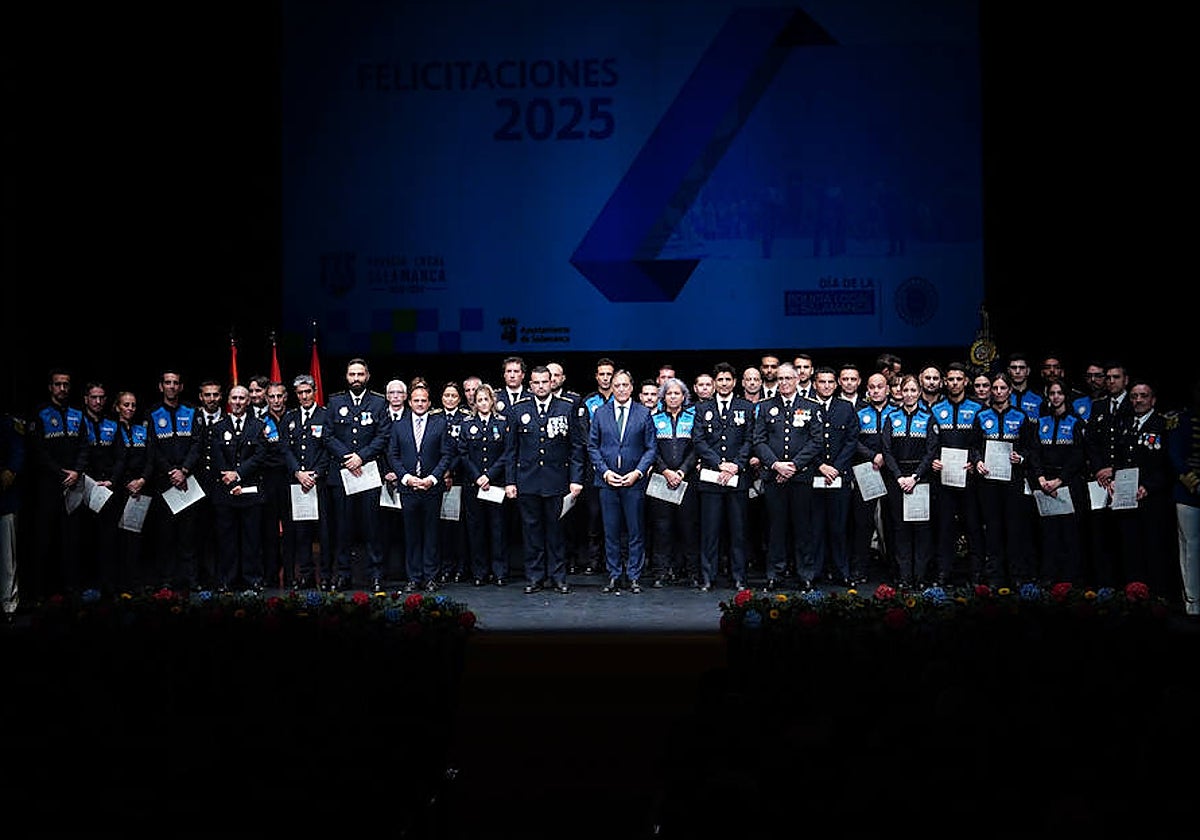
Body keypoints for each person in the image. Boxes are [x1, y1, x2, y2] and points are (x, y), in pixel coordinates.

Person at [504, 365, 585, 594]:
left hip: (557, 480)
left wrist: (576, 479)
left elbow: (576, 447)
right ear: (530, 385)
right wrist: (510, 481)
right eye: (536, 382)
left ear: (552, 383)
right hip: (527, 480)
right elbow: (511, 450)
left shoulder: (566, 407)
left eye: (544, 382)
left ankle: (558, 577)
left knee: (556, 532)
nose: (540, 386)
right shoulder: (519, 409)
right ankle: (535, 577)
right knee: (531, 532)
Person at [324, 358, 392, 591]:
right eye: (352, 374)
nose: (356, 378)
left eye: (360, 374)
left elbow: (383, 436)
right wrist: (347, 457)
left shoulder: (378, 403)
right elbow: (328, 435)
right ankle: (343, 574)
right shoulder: (335, 402)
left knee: (372, 527)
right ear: (346, 376)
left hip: (368, 472)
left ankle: (375, 574)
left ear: (367, 376)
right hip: (341, 474)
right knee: (343, 528)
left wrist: (361, 457)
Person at [588, 369, 656, 593]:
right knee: (611, 531)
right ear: (612, 388)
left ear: (632, 387)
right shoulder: (600, 413)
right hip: (607, 482)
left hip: (633, 482)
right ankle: (615, 574)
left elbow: (651, 448)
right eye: (617, 385)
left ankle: (634, 575)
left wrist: (638, 472)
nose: (621, 389)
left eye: (625, 385)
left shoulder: (643, 413)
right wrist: (605, 472)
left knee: (636, 531)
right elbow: (592, 446)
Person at [752, 362, 817, 590]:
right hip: (774, 477)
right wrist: (776, 465)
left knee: (803, 528)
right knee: (775, 529)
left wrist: (793, 466)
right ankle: (775, 574)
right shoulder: (765, 406)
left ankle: (805, 574)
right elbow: (758, 440)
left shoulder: (811, 406)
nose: (784, 382)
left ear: (798, 379)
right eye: (780, 379)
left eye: (788, 378)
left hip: (801, 478)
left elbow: (816, 441)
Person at [25, 368, 88, 599]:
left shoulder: (77, 413)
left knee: (72, 540)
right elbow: (37, 450)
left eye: (66, 384)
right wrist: (59, 473)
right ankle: (41, 592)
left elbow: (84, 446)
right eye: (58, 384)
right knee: (45, 539)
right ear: (50, 387)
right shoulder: (40, 413)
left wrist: (77, 471)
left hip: (73, 484)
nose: (62, 388)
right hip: (48, 486)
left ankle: (71, 589)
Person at [973, 371, 1038, 588]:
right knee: (992, 529)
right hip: (988, 482)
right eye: (995, 388)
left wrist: (1021, 458)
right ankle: (994, 576)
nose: (998, 392)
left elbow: (1031, 448)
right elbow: (974, 446)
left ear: (1009, 391)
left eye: (1003, 388)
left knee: (1014, 528)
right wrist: (977, 461)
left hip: (1013, 482)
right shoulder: (981, 416)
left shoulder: (1021, 416)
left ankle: (1017, 575)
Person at [1114, 380, 1177, 600]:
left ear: (1153, 399)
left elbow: (1169, 464)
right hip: (1126, 497)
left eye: (1143, 396)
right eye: (1134, 396)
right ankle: (1133, 596)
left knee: (1154, 548)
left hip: (1153, 499)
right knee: (1130, 548)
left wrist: (1148, 487)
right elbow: (1120, 459)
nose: (1138, 400)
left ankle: (1158, 599)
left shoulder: (1163, 425)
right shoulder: (1124, 423)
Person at [693, 362, 754, 590]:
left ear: (734, 382)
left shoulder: (745, 407)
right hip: (711, 478)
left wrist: (736, 465)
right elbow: (698, 440)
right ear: (715, 383)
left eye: (728, 379)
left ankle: (739, 577)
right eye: (720, 380)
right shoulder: (702, 408)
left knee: (738, 532)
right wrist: (719, 464)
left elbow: (749, 440)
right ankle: (708, 576)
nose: (724, 383)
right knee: (709, 532)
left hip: (737, 479)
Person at [389, 383, 454, 593]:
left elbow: (446, 454)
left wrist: (433, 479)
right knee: (412, 535)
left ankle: (430, 578)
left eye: (423, 400)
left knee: (432, 535)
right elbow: (393, 455)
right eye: (416, 400)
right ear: (410, 402)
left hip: (431, 489)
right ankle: (413, 578)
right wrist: (407, 478)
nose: (419, 403)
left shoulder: (440, 423)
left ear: (429, 402)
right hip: (408, 488)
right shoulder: (399, 425)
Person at [929, 362, 987, 587]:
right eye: (950, 379)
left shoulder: (978, 409)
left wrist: (976, 462)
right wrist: (933, 461)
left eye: (958, 379)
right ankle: (944, 572)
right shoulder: (936, 409)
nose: (954, 383)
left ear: (966, 382)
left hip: (970, 479)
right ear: (946, 382)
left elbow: (983, 442)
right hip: (943, 479)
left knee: (973, 526)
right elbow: (931, 444)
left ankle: (976, 573)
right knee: (944, 527)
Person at [210, 385, 272, 592]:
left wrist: (238, 475)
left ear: (248, 401)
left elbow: (260, 456)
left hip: (250, 491)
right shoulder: (218, 426)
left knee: (251, 538)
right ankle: (227, 579)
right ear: (228, 400)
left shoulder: (258, 425)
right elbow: (216, 457)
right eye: (234, 397)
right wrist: (230, 478)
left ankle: (252, 578)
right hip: (225, 491)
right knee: (226, 539)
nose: (237, 402)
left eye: (242, 398)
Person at [147, 369, 204, 591]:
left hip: (188, 481)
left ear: (181, 387)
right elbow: (151, 447)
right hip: (165, 482)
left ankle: (191, 579)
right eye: (168, 383)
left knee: (189, 535)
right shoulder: (152, 413)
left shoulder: (191, 411)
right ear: (161, 386)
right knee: (165, 535)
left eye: (176, 383)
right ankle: (167, 581)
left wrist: (185, 470)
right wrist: (172, 471)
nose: (172, 386)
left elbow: (197, 444)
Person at [1026, 381, 1088, 586]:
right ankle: (1049, 579)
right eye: (1052, 393)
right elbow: (1034, 453)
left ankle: (1072, 581)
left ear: (1065, 396)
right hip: (1044, 486)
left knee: (1070, 535)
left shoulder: (1075, 422)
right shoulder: (1041, 422)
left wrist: (1060, 480)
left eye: (1059, 393)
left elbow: (1078, 455)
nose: (1055, 397)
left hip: (1068, 485)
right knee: (1048, 534)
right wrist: (1041, 478)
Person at [805, 366, 860, 587]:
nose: (826, 386)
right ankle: (815, 571)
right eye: (822, 382)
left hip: (840, 475)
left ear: (835, 384)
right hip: (814, 476)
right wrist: (821, 466)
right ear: (815, 383)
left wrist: (835, 467)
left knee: (839, 527)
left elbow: (851, 440)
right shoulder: (806, 407)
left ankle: (841, 571)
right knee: (815, 527)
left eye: (830, 382)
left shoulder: (845, 408)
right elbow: (804, 442)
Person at [880, 374, 937, 589]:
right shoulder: (891, 418)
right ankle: (904, 577)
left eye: (914, 391)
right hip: (897, 478)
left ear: (919, 393)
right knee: (900, 529)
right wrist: (898, 476)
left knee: (921, 529)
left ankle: (920, 578)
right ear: (899, 393)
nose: (910, 394)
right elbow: (886, 450)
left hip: (920, 479)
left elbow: (931, 451)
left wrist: (915, 477)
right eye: (906, 391)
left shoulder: (928, 417)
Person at [1086, 363, 1134, 588]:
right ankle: (1103, 585)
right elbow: (1091, 443)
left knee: (1125, 534)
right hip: (1099, 480)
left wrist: (1114, 469)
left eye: (1116, 377)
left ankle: (1128, 585)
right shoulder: (1099, 406)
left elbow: (1132, 445)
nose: (1111, 381)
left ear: (1125, 380)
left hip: (1124, 477)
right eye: (1109, 377)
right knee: (1099, 533)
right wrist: (1099, 469)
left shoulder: (1133, 404)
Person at [280, 373, 330, 591]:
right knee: (302, 532)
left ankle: (326, 575)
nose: (304, 396)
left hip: (320, 483)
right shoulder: (289, 418)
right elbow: (285, 448)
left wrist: (315, 473)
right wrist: (298, 473)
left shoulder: (326, 416)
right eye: (300, 393)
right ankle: (307, 575)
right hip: (298, 483)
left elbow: (329, 449)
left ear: (315, 392)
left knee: (325, 532)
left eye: (308, 392)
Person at [647, 378, 699, 587]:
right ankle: (661, 572)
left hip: (686, 481)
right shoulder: (654, 419)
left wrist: (681, 471)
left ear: (684, 396)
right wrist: (666, 471)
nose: (673, 397)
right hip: (661, 479)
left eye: (677, 393)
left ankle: (692, 572)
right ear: (663, 397)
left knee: (689, 527)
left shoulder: (693, 417)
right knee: (662, 528)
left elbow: (697, 448)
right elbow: (651, 449)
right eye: (669, 394)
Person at [457, 383, 510, 586]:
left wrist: (490, 475)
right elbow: (462, 453)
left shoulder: (502, 422)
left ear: (492, 401)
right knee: (476, 529)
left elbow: (507, 453)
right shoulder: (466, 424)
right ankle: (479, 572)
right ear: (474, 403)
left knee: (497, 529)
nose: (483, 403)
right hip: (474, 485)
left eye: (486, 399)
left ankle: (499, 572)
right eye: (479, 400)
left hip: (496, 484)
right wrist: (478, 476)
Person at [850, 372, 897, 585]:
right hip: (866, 470)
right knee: (862, 523)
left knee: (892, 521)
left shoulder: (897, 413)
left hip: (891, 472)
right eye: (872, 387)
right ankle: (859, 569)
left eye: (880, 386)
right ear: (867, 389)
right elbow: (852, 441)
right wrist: (872, 456)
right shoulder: (859, 413)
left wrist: (886, 458)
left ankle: (895, 569)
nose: (876, 390)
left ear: (887, 389)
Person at [111, 390, 154, 593]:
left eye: (133, 405)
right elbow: (112, 459)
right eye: (126, 405)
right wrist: (127, 482)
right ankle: (118, 582)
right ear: (117, 406)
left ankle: (135, 581)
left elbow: (150, 458)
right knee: (118, 538)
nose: (130, 409)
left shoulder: (141, 430)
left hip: (140, 489)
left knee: (136, 539)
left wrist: (142, 480)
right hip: (119, 489)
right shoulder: (109, 429)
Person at [79, 381, 120, 593]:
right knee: (85, 539)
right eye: (94, 397)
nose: (98, 401)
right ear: (86, 399)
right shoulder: (78, 422)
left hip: (108, 487)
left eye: (102, 397)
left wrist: (112, 479)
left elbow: (120, 457)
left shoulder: (113, 424)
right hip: (83, 486)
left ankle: (108, 585)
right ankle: (86, 587)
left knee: (109, 540)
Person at [577, 358, 616, 575]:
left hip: (619, 466)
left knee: (617, 518)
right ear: (596, 376)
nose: (606, 377)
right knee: (594, 515)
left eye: (609, 374)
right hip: (595, 466)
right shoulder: (588, 402)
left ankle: (616, 560)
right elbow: (585, 436)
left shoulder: (622, 399)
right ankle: (593, 560)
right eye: (602, 374)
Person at [1168, 377, 1200, 615]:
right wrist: (1194, 483)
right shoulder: (1181, 420)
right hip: (1190, 492)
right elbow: (1176, 456)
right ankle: (1192, 601)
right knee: (1191, 548)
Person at [435, 380, 470, 584]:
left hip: (459, 478)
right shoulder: (434, 418)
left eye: (453, 396)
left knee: (460, 528)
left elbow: (463, 450)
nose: (449, 399)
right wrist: (442, 472)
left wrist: (450, 470)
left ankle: (461, 567)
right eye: (446, 395)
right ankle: (445, 567)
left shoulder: (465, 418)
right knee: (443, 528)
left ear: (459, 399)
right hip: (438, 478)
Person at [193, 378, 226, 589]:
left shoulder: (229, 418)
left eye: (215, 394)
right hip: (196, 484)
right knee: (198, 533)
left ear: (221, 396)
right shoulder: (192, 418)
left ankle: (221, 577)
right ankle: (200, 577)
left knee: (222, 532)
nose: (211, 399)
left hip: (221, 484)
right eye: (207, 395)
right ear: (201, 397)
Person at [259, 381, 290, 586]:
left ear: (285, 397)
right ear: (266, 398)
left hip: (291, 481)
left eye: (279, 396)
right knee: (268, 531)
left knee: (292, 530)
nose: (276, 400)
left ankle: (291, 575)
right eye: (272, 397)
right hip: (268, 481)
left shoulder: (294, 418)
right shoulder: (259, 422)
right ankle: (270, 574)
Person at [380, 378, 410, 583]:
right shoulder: (378, 416)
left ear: (406, 396)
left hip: (407, 480)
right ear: (386, 396)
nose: (396, 396)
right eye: (392, 393)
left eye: (399, 393)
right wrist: (386, 472)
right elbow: (374, 446)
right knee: (383, 530)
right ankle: (384, 573)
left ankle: (408, 572)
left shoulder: (414, 416)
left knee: (408, 530)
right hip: (382, 479)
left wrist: (400, 474)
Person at [0, 405, 24, 620]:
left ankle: (9, 603)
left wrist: (9, 472)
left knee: (7, 557)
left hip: (4, 499)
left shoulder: (8, 423)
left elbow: (17, 453)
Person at [1005, 352, 1042, 420]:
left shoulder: (1039, 398)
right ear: (1008, 371)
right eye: (1014, 368)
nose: (1018, 371)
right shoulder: (1002, 395)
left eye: (1022, 368)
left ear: (1028, 371)